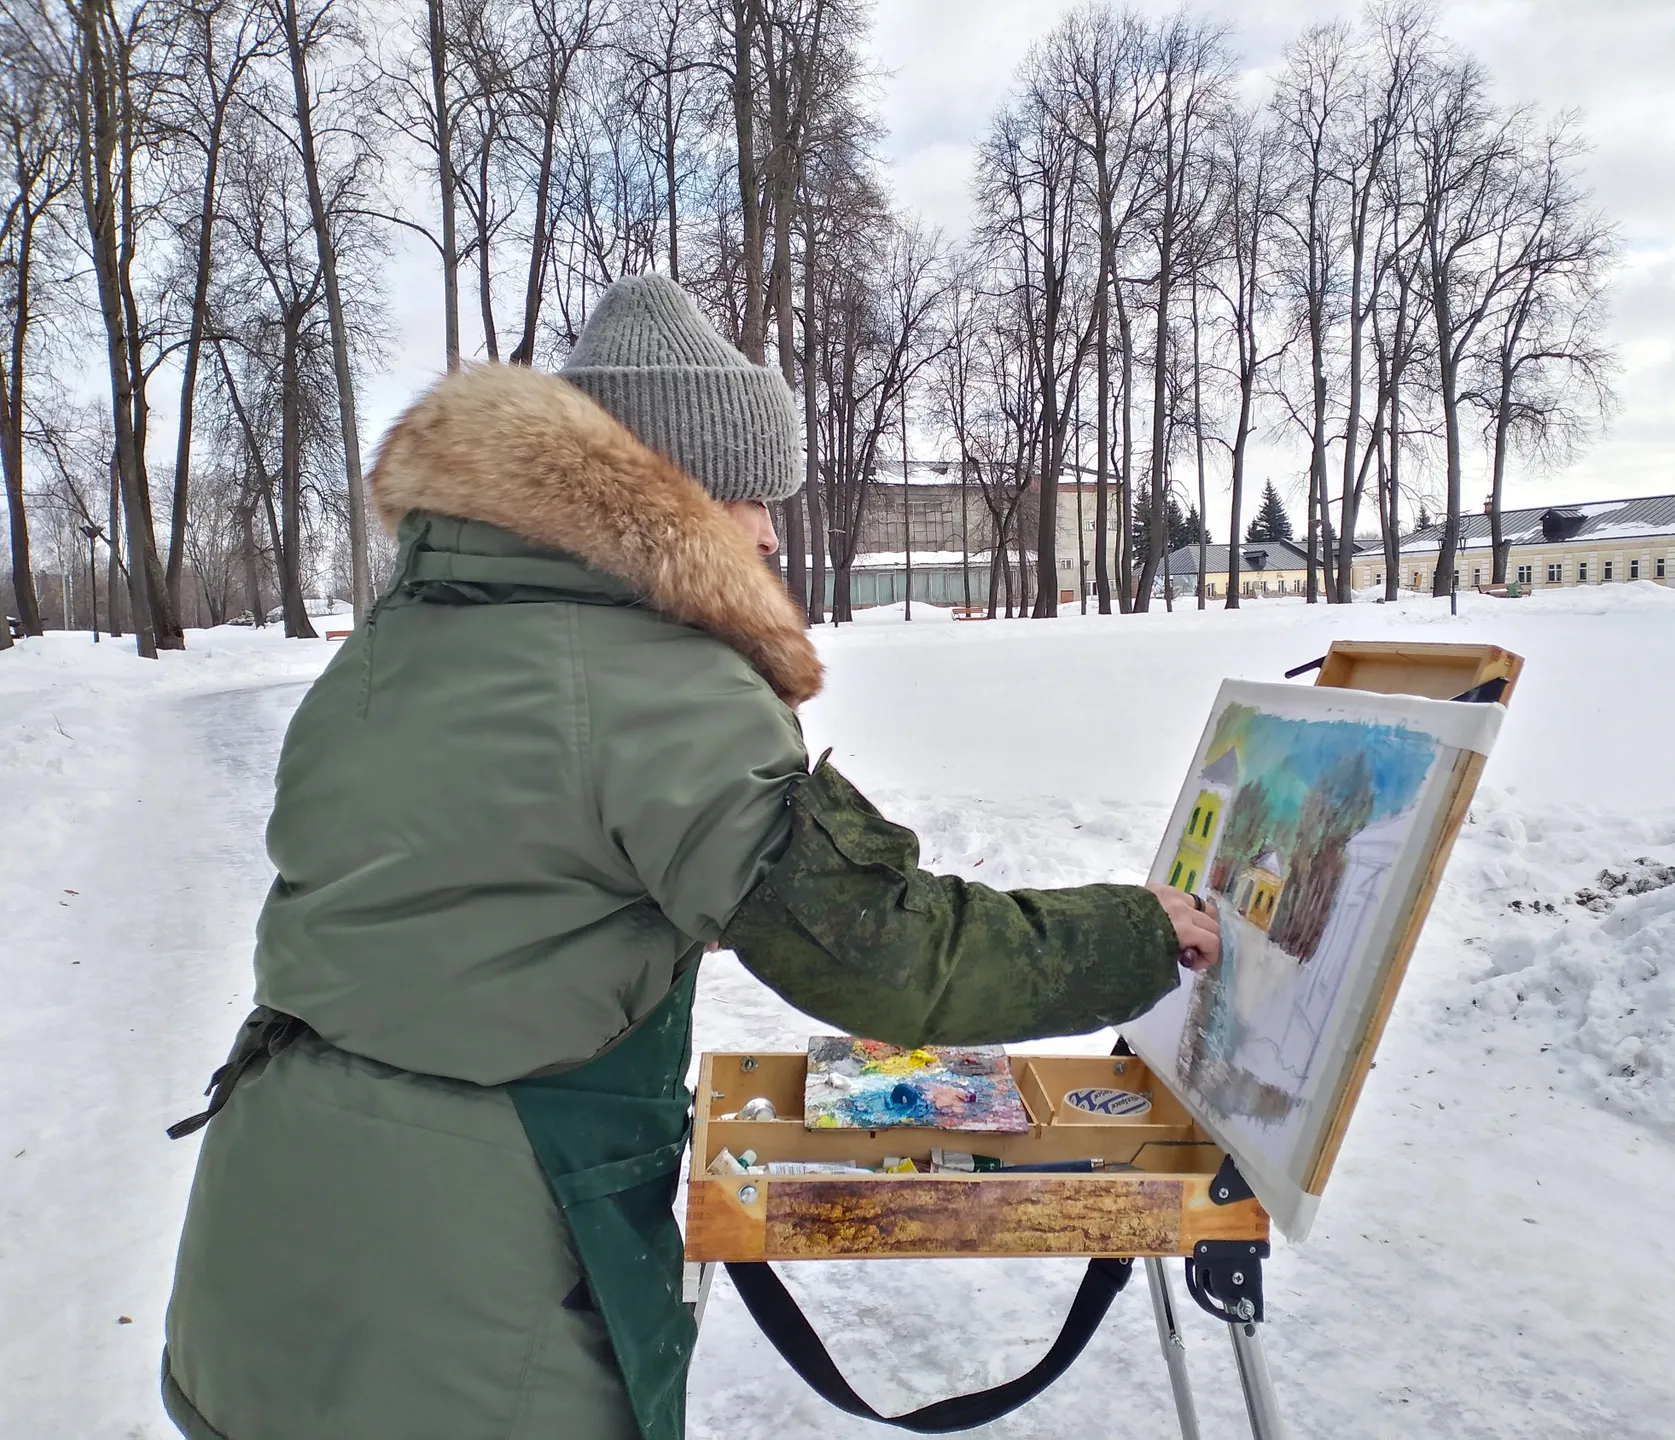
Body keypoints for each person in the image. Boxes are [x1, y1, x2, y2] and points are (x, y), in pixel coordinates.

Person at [159, 275, 1220, 1440]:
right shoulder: (654, 677)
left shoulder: (410, 636)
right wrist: (1135, 931)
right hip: (459, 1284)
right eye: (745, 492)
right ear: (653, 497)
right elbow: (883, 954)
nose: (769, 528)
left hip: (272, 1236)